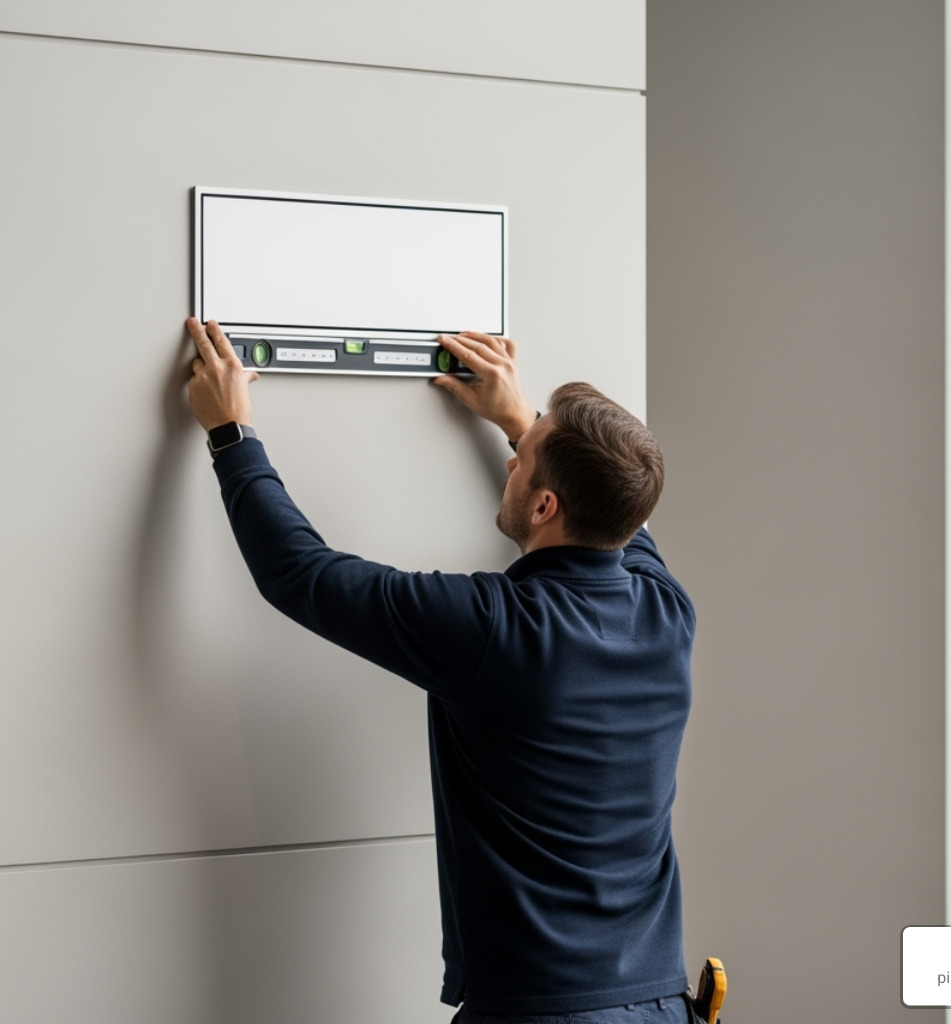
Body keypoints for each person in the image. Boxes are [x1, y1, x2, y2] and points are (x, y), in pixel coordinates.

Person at [184, 317, 699, 1024]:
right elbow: (616, 507)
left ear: (547, 506)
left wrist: (230, 431)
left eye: (525, 459)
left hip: (543, 1013)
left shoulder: (492, 628)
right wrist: (520, 417)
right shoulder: (666, 611)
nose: (514, 460)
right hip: (662, 1003)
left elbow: (298, 573)